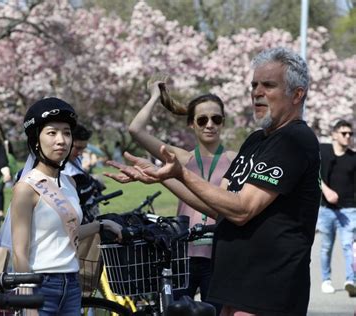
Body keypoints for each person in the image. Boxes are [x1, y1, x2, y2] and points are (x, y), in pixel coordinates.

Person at [106, 47, 321, 316]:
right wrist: (162, 176)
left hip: (267, 291)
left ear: (297, 94)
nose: (257, 92)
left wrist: (181, 173)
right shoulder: (256, 140)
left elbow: (242, 209)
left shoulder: (294, 139)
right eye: (254, 85)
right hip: (235, 287)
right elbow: (220, 206)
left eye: (268, 85)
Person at [128, 81, 235, 311]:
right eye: (202, 119)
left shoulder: (235, 159)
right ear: (191, 124)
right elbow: (136, 130)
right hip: (183, 256)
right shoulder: (181, 159)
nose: (210, 125)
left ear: (223, 123)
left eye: (216, 119)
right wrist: (155, 96)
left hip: (219, 256)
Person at [10, 97, 122, 315]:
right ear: (36, 140)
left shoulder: (69, 183)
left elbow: (67, 232)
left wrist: (101, 225)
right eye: (52, 133)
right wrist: (28, 302)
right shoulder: (26, 188)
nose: (61, 140)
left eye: (66, 133)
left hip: (72, 283)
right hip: (40, 286)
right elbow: (19, 253)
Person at [318, 119, 356, 297]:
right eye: (344, 133)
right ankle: (326, 280)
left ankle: (351, 280)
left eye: (350, 134)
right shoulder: (323, 151)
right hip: (326, 209)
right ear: (334, 134)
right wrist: (326, 191)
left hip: (349, 210)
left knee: (349, 245)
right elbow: (313, 174)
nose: (348, 136)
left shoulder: (354, 158)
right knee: (326, 247)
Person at [63, 124, 105, 223]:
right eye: (77, 148)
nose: (80, 153)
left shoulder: (75, 159)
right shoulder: (59, 167)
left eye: (83, 148)